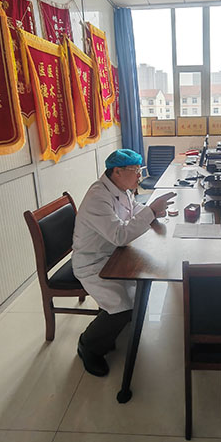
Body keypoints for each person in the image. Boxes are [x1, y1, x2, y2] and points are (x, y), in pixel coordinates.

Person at [72, 148, 176, 377]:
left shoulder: (120, 189)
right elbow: (119, 235)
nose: (140, 175)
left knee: (139, 290)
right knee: (122, 306)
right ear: (117, 171)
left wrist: (152, 212)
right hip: (93, 262)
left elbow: (134, 209)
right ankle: (88, 346)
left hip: (114, 255)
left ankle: (112, 327)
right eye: (135, 170)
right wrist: (150, 212)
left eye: (140, 169)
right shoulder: (98, 197)